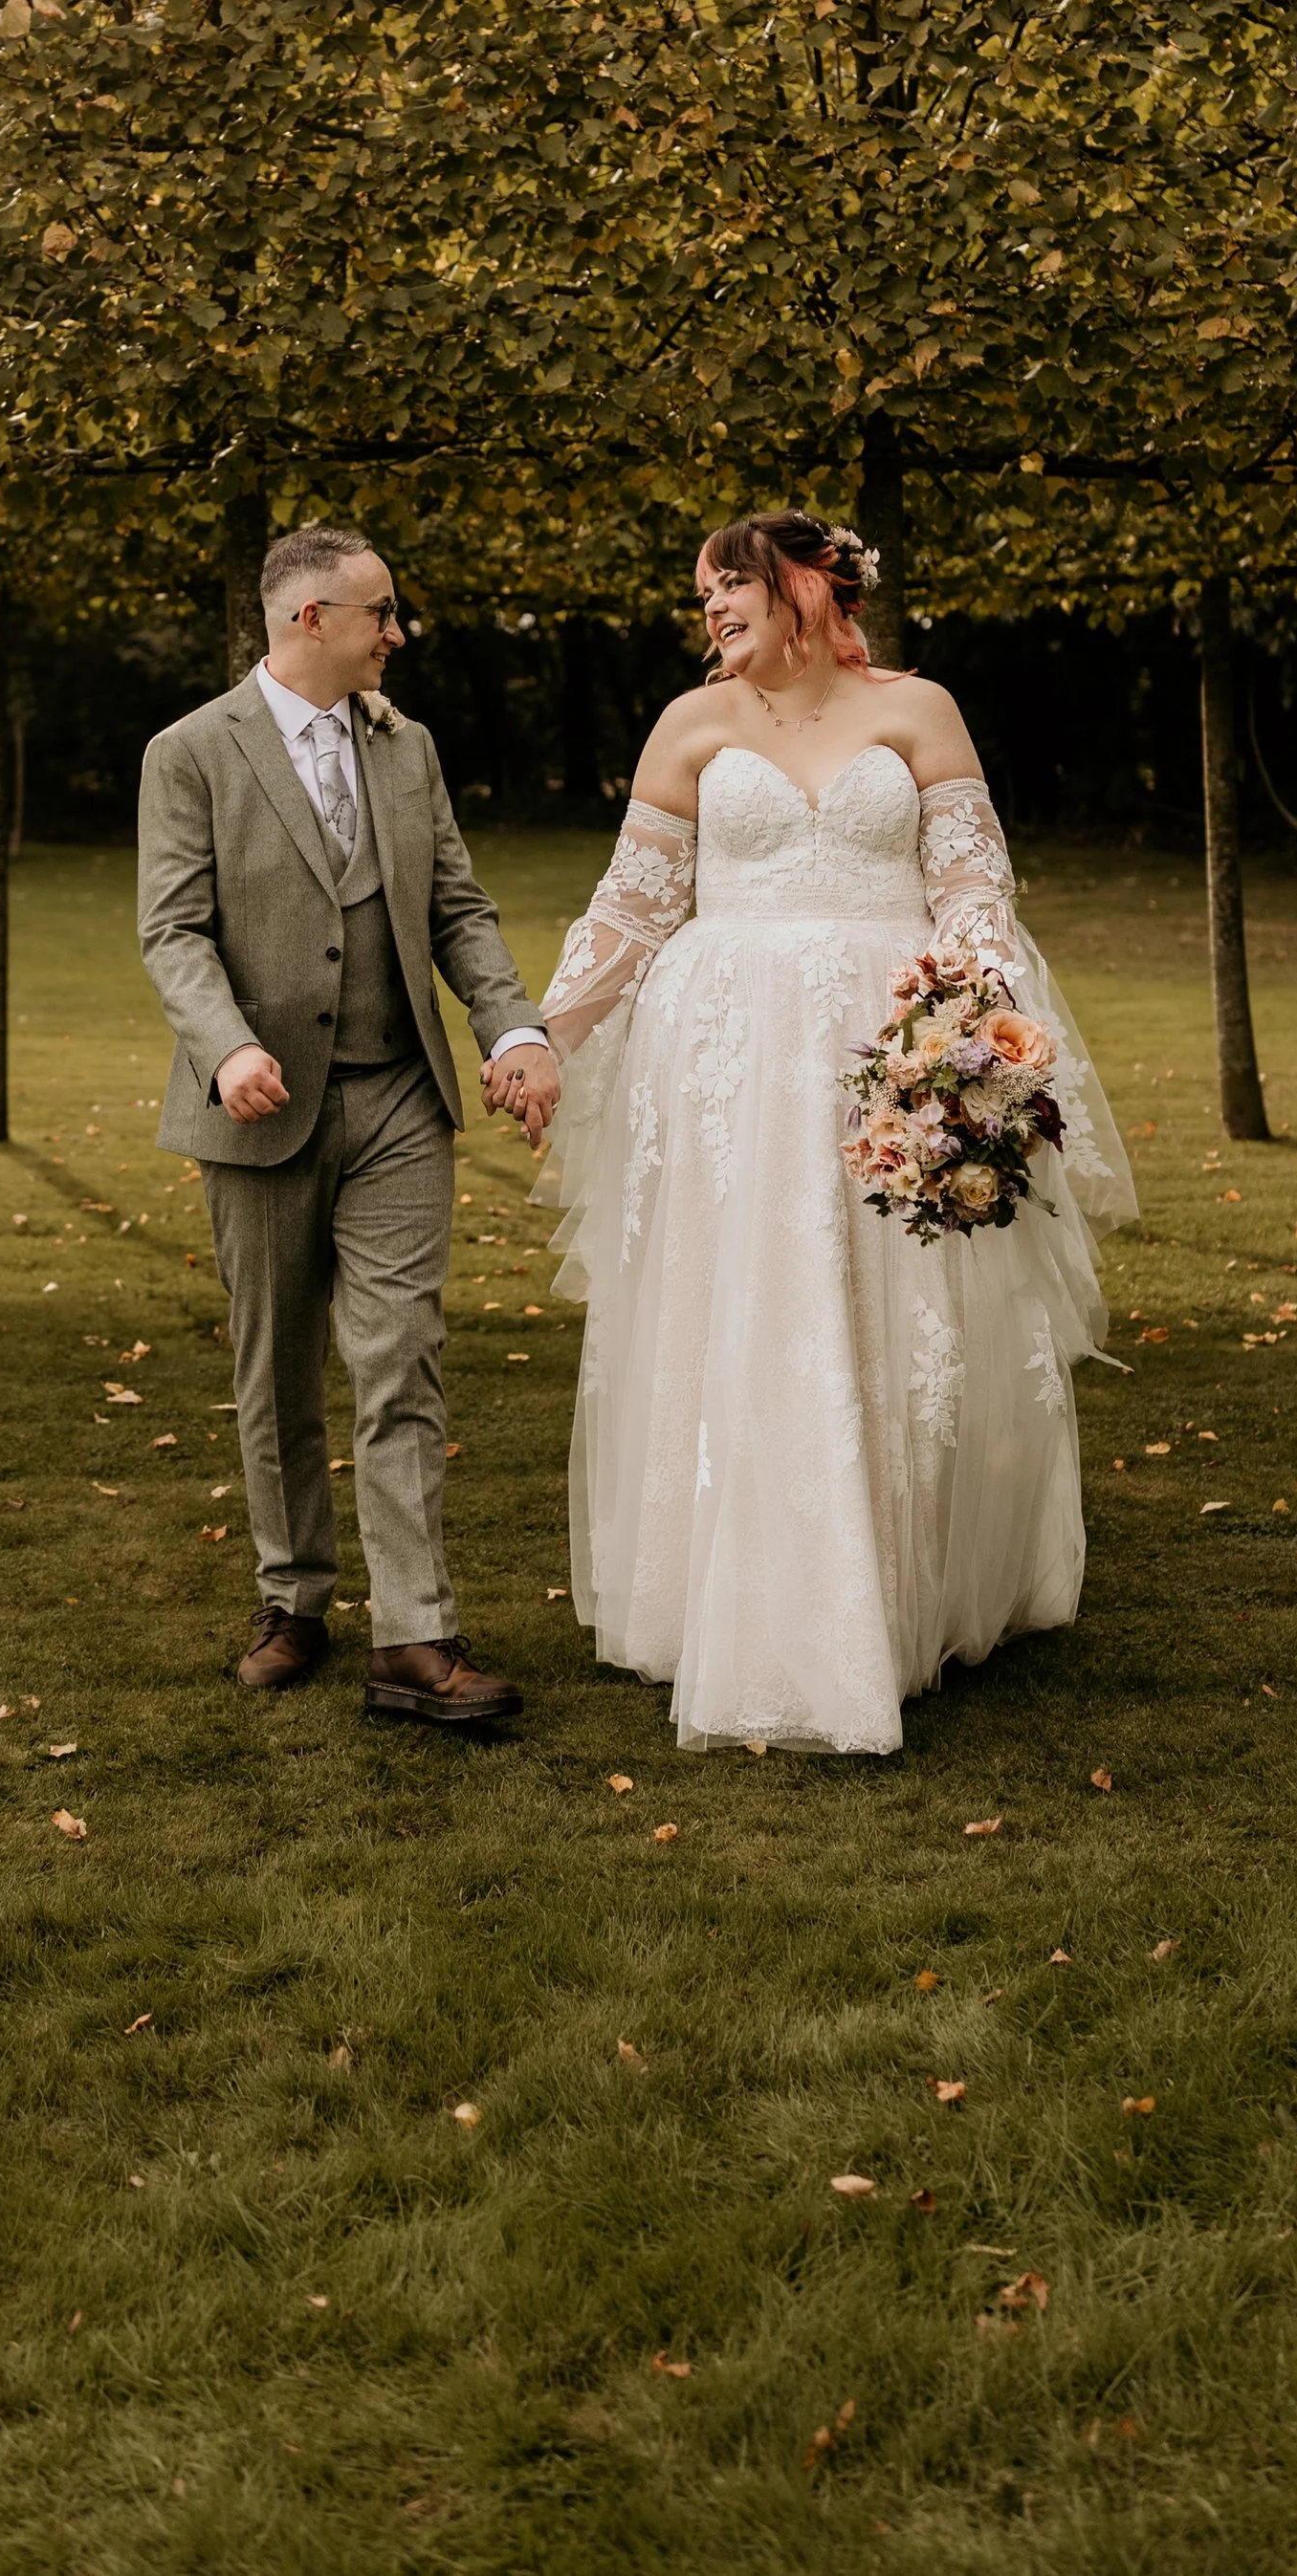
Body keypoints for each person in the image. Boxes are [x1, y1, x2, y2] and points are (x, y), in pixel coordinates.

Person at [533, 511, 1134, 1756]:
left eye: (727, 585)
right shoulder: (689, 725)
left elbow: (972, 885)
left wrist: (962, 1027)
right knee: (745, 1297)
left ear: (803, 586)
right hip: (727, 1064)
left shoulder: (918, 711)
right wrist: (543, 1036)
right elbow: (631, 910)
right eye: (702, 593)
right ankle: (733, 1594)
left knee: (889, 1304)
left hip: (884, 1041)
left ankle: (907, 1593)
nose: (709, 608)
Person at [138, 524, 561, 1729]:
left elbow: (459, 909)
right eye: (381, 613)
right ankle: (293, 1599)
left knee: (400, 1357)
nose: (398, 633)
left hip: (398, 1101)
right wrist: (227, 1047)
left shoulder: (406, 745)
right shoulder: (189, 751)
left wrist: (512, 1031)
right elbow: (172, 929)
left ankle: (413, 1637)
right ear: (309, 619)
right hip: (259, 1106)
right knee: (276, 1368)